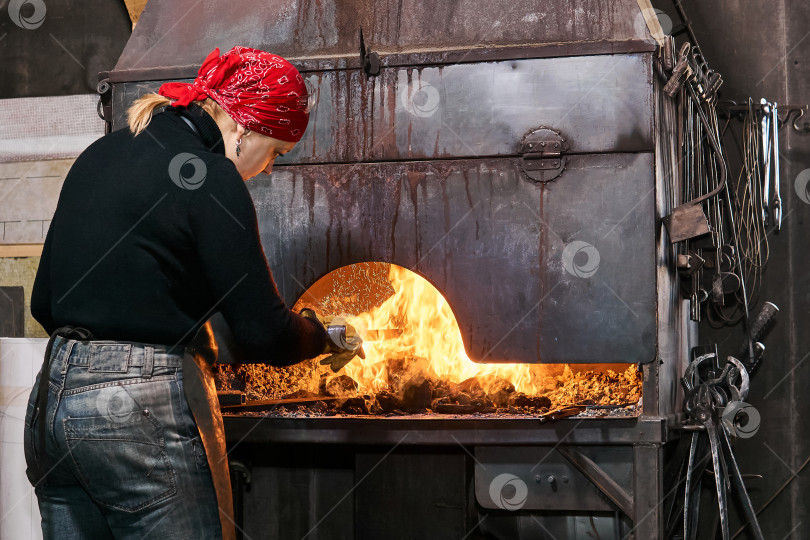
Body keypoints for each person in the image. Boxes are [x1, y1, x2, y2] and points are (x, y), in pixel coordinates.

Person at [24, 46, 361, 540]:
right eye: (276, 151)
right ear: (244, 127)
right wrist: (322, 337)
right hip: (137, 413)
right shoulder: (212, 177)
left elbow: (42, 302)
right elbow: (263, 333)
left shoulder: (104, 152)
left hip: (51, 403)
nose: (267, 168)